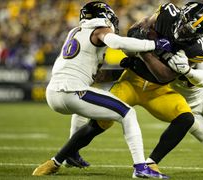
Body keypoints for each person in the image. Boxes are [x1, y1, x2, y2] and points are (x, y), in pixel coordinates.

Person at [69, 2, 203, 174]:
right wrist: (142, 39)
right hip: (179, 99)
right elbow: (141, 29)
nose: (183, 30)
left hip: (202, 96)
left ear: (202, 33)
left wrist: (188, 71)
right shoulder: (167, 18)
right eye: (184, 23)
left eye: (190, 30)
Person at [32, 1, 173, 178]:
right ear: (104, 17)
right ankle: (140, 167)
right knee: (127, 113)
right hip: (71, 91)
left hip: (54, 92)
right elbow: (117, 42)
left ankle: (71, 154)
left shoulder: (75, 32)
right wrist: (153, 45)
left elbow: (96, 76)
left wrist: (123, 71)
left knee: (81, 110)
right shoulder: (99, 29)